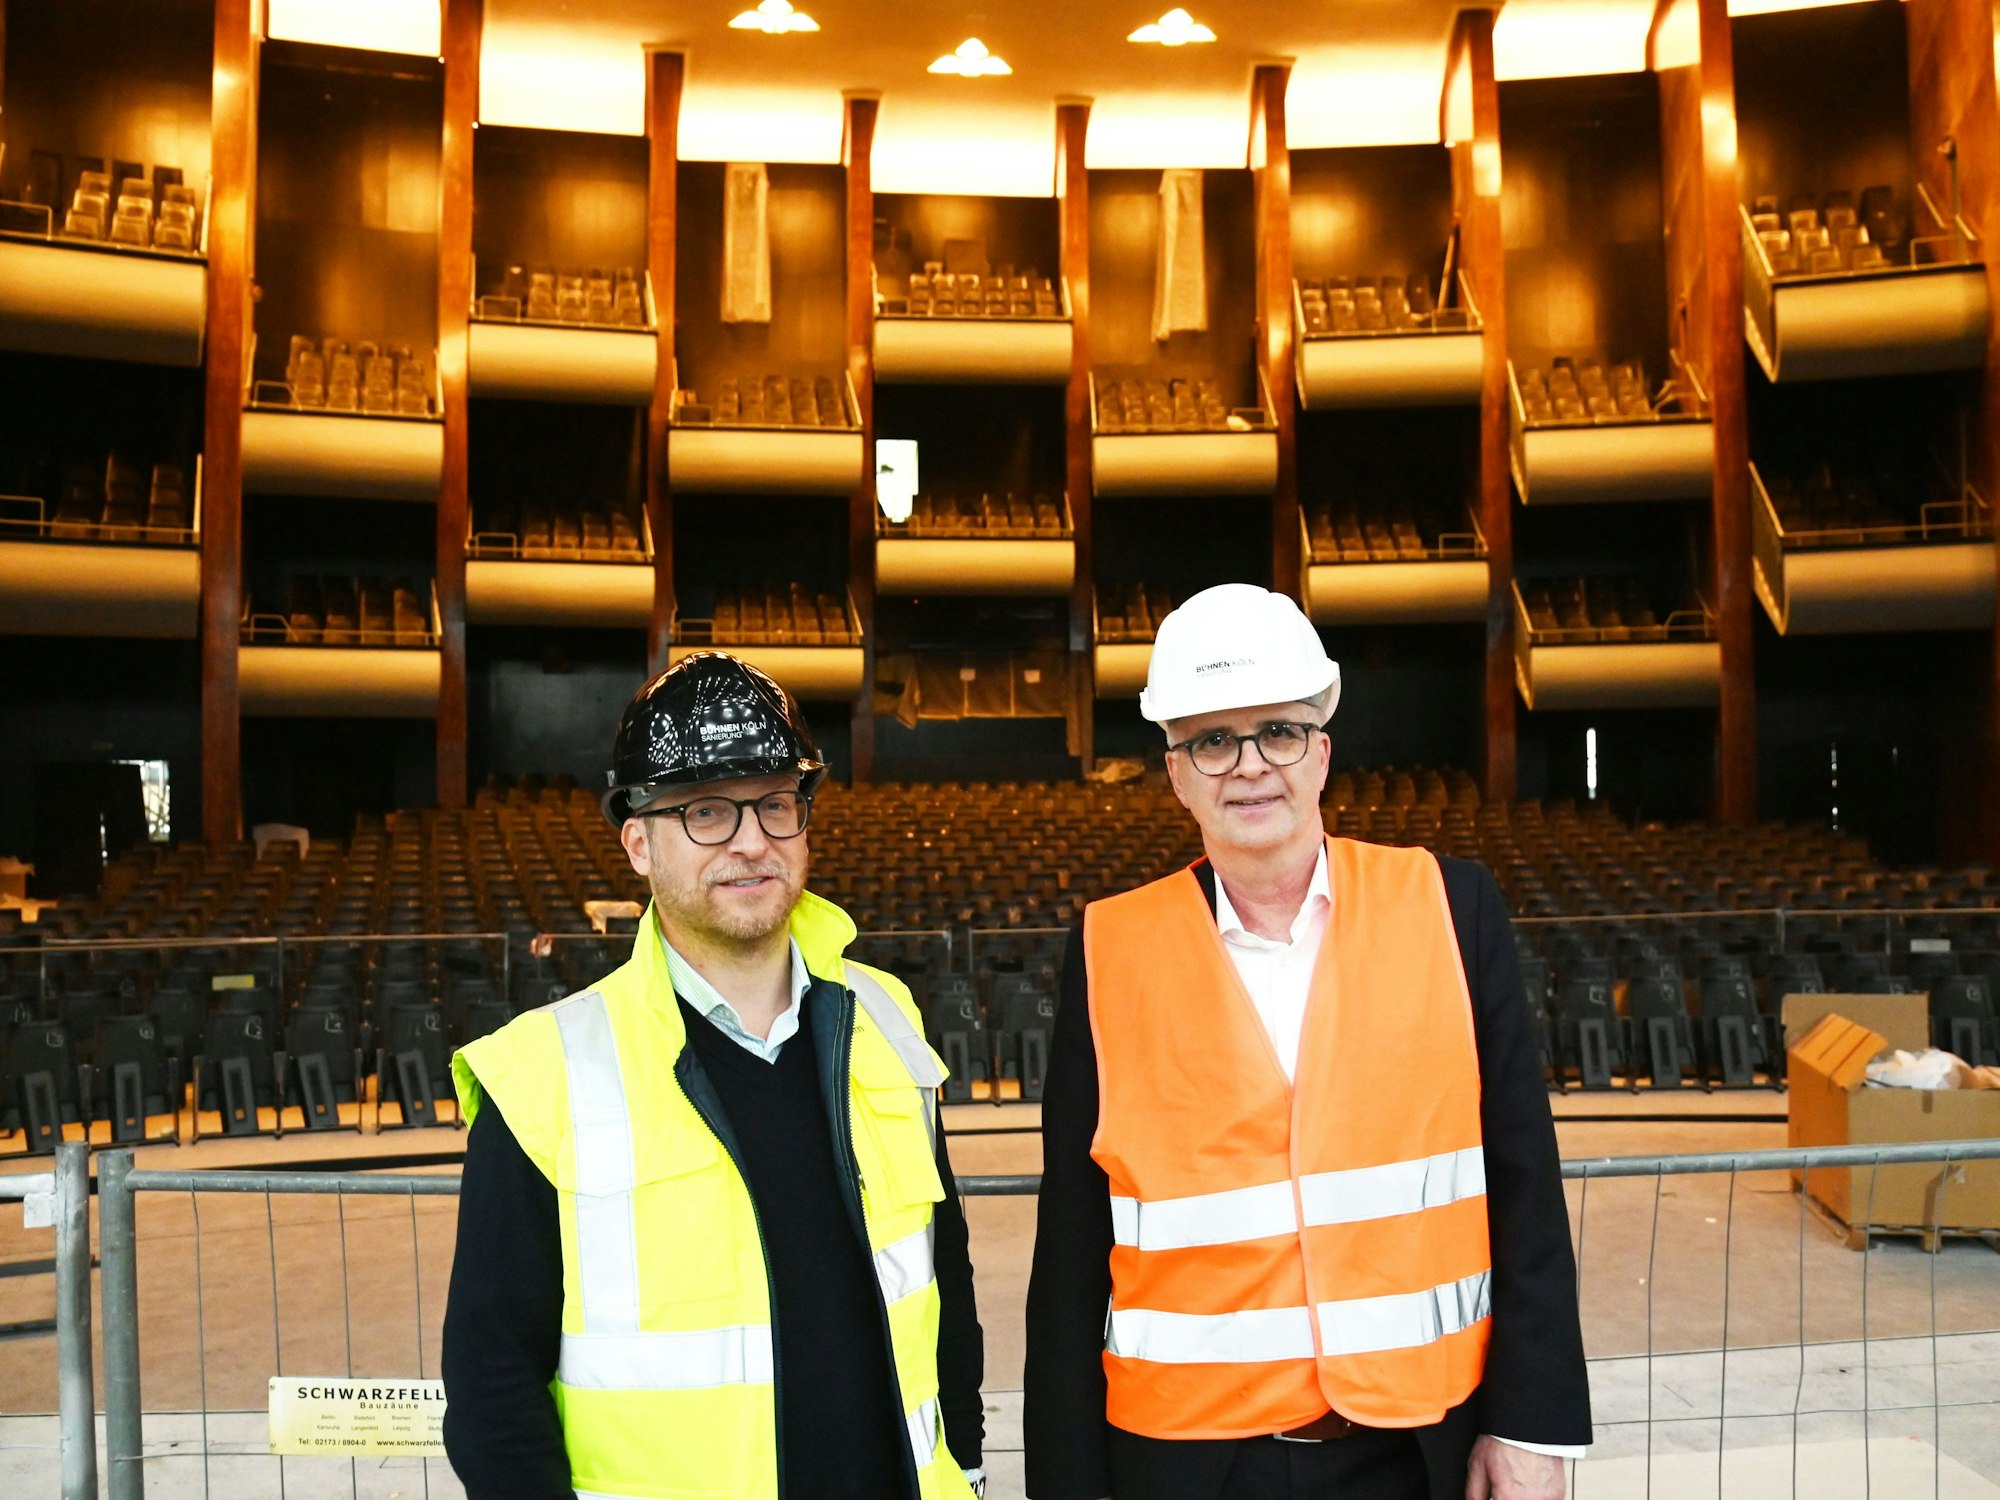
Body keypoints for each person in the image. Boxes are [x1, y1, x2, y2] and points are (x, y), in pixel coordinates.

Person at [1024, 583, 1590, 1500]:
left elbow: (1523, 1179)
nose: (1249, 766)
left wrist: (1533, 1420)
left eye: (1278, 732)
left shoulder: (1451, 907)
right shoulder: (1106, 951)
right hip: (1188, 1465)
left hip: (1416, 1448)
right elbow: (1071, 1254)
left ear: (1321, 754)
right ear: (1175, 771)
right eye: (1212, 739)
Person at [441, 651, 985, 1500]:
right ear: (638, 844)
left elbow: (940, 1273)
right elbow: (491, 1385)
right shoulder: (544, 1070)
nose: (750, 842)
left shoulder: (885, 1018)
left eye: (775, 805)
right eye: (704, 812)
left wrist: (972, 1464)